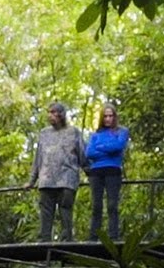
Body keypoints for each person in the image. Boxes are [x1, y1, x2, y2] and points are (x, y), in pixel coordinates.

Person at [25, 102, 85, 242]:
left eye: (53, 112)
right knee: (46, 213)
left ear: (61, 114)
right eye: (49, 112)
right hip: (47, 180)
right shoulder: (44, 133)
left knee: (65, 211)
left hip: (67, 179)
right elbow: (38, 158)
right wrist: (32, 180)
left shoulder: (73, 132)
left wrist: (91, 172)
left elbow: (83, 154)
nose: (50, 115)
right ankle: (44, 241)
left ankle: (67, 241)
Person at [84, 102, 129, 241]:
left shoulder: (122, 131)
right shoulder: (95, 134)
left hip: (113, 170)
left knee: (112, 205)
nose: (108, 119)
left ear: (115, 117)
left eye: (110, 116)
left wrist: (101, 147)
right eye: (105, 116)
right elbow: (89, 152)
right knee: (96, 205)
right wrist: (108, 149)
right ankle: (93, 237)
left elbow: (118, 146)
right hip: (96, 172)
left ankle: (113, 237)